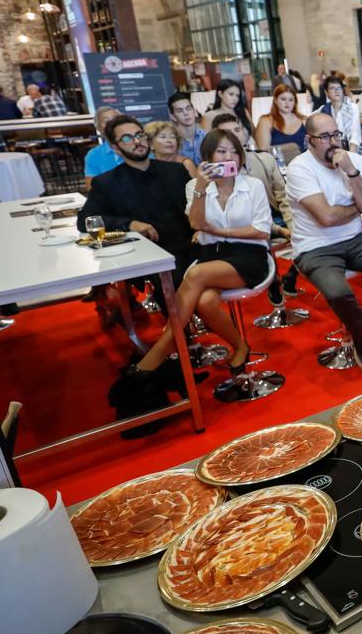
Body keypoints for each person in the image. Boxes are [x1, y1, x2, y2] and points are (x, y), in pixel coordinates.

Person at [110, 128, 272, 420]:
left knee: (194, 277)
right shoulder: (196, 186)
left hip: (249, 255)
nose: (228, 157)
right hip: (213, 255)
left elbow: (261, 230)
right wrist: (200, 185)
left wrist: (219, 230)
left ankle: (159, 353)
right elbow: (196, 223)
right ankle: (240, 345)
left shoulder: (253, 185)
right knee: (205, 302)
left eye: (233, 151)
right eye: (221, 152)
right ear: (208, 157)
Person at [285, 112, 362, 375]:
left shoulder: (352, 162)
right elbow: (327, 217)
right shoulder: (299, 168)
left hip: (353, 239)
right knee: (339, 292)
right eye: (325, 136)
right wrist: (357, 207)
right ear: (310, 140)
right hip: (314, 247)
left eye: (336, 134)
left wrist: (351, 172)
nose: (333, 142)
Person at [77, 115, 196, 284]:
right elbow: (85, 220)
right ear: (116, 148)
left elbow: (195, 207)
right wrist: (129, 224)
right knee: (190, 287)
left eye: (140, 135)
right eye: (127, 138)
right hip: (150, 254)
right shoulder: (107, 182)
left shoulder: (176, 171)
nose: (137, 141)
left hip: (192, 246)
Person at [212, 113, 292, 238]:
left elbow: (283, 196)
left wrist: (293, 227)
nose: (235, 135)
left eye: (237, 130)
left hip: (280, 219)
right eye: (227, 133)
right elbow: (239, 216)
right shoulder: (220, 172)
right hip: (250, 228)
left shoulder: (265, 159)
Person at [256, 84, 306, 165]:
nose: (287, 103)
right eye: (283, 99)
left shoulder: (304, 120)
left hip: (304, 167)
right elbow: (264, 155)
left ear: (295, 102)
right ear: (275, 100)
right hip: (279, 169)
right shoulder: (266, 121)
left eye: (290, 100)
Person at [82, 106, 126, 190]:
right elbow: (91, 187)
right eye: (106, 121)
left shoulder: (138, 145)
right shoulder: (93, 155)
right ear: (98, 128)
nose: (111, 122)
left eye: (115, 118)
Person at [319, 76, 362, 154]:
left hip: (351, 150)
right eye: (332, 88)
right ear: (326, 92)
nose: (337, 91)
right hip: (331, 152)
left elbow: (355, 134)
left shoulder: (352, 107)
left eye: (339, 87)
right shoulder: (323, 110)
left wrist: (350, 155)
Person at [168, 91, 205, 166]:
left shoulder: (206, 136)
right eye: (180, 111)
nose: (186, 113)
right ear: (173, 117)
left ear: (194, 111)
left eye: (188, 108)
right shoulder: (171, 141)